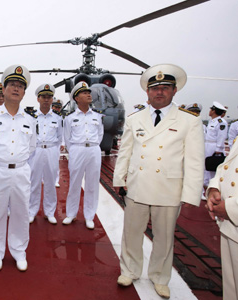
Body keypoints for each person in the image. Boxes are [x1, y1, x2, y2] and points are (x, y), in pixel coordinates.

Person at [112, 64, 204, 299]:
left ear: (174, 91)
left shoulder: (188, 121)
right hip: (138, 185)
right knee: (131, 233)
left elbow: (194, 162)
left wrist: (191, 194)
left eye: (165, 88)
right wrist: (119, 179)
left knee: (164, 238)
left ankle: (160, 277)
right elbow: (126, 151)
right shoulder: (135, 119)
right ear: (147, 92)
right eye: (155, 88)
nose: (159, 92)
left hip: (168, 188)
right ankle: (130, 270)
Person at [0, 65, 36, 272]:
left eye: (20, 86)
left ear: (24, 92)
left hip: (21, 170)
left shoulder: (30, 119)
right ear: (3, 88)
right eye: (12, 84)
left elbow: (31, 147)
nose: (16, 88)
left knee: (21, 212)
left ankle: (19, 252)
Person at [62, 81, 104, 229]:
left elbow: (100, 135)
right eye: (84, 93)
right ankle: (71, 214)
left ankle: (89, 216)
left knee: (92, 184)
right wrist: (74, 150)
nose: (88, 95)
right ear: (76, 98)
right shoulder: (69, 118)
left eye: (89, 93)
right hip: (77, 150)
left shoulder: (97, 116)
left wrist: (92, 145)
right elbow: (67, 138)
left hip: (93, 149)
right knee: (74, 183)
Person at [206, 141, 238, 300]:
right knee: (231, 291)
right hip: (230, 228)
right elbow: (227, 165)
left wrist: (231, 208)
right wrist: (214, 187)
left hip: (233, 216)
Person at [28, 84, 62, 225]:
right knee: (33, 182)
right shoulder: (31, 117)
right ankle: (31, 211)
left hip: (51, 150)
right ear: (38, 99)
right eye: (44, 97)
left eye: (49, 97)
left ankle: (49, 212)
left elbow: (59, 137)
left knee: (50, 182)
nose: (46, 100)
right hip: (35, 151)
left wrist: (55, 152)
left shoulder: (58, 118)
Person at [204, 102, 228, 188]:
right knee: (206, 165)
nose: (209, 111)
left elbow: (221, 136)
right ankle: (206, 184)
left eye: (211, 109)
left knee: (213, 167)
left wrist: (219, 149)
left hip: (214, 147)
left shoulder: (221, 122)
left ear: (213, 111)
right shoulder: (212, 121)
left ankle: (213, 186)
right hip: (207, 145)